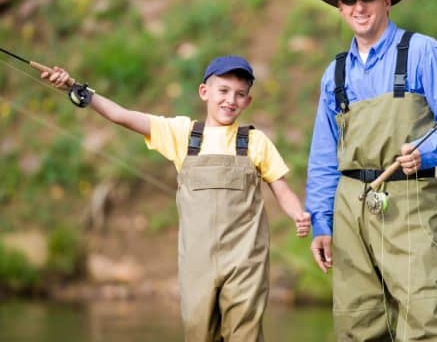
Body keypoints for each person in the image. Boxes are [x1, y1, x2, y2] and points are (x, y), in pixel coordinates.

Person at [40, 55, 311, 342]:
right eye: (223, 90)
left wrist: (297, 214)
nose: (230, 100)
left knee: (246, 335)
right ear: (204, 92)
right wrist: (75, 88)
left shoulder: (255, 141)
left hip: (246, 261)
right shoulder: (183, 133)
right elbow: (120, 115)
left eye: (240, 94)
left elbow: (280, 187)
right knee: (198, 333)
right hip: (197, 263)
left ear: (248, 101)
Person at [306, 0, 437, 341]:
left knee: (423, 314)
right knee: (357, 319)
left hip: (409, 197)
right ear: (340, 7)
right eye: (349, 0)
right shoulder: (334, 74)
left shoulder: (423, 52)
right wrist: (321, 220)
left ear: (386, 1)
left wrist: (425, 151)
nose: (358, 7)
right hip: (350, 205)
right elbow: (323, 154)